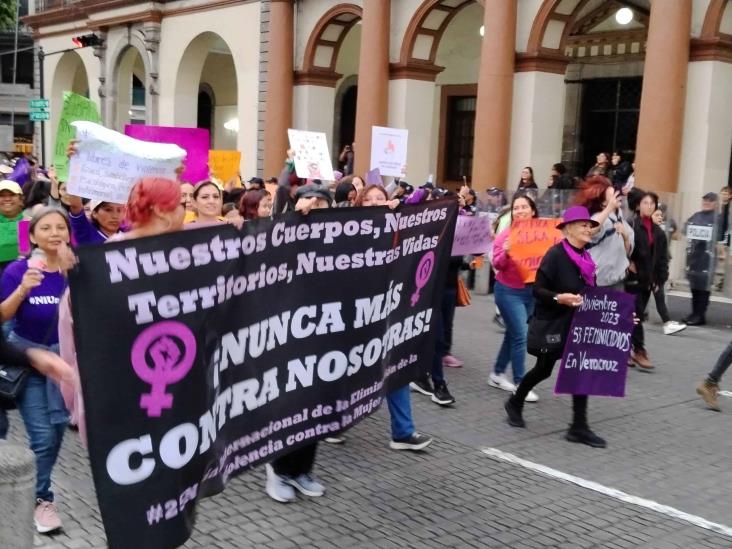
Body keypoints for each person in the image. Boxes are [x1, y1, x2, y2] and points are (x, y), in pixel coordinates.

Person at [505, 205, 608, 448]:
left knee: (580, 370)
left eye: (590, 225)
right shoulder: (555, 255)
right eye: (583, 224)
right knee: (544, 370)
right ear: (569, 229)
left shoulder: (586, 257)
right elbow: (538, 291)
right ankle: (515, 402)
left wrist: (622, 317)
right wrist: (559, 298)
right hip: (555, 321)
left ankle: (579, 427)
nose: (588, 228)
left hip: (579, 323)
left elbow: (591, 293)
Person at [1, 207, 77, 533]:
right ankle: (41, 499)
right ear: (32, 236)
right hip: (28, 358)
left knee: (59, 429)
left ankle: (35, 491)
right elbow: (3, 317)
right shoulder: (18, 271)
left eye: (60, 227)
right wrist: (22, 290)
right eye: (45, 228)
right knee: (43, 436)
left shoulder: (77, 269)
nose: (54, 233)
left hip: (65, 361)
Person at [265, 184, 329, 504]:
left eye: (323, 203)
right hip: (288, 335)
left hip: (325, 334)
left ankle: (302, 469)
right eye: (311, 201)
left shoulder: (342, 237)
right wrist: (292, 217)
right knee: (289, 404)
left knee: (315, 407)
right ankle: (278, 469)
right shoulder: (287, 231)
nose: (316, 206)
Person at [488, 194, 540, 402]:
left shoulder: (542, 234)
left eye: (524, 207)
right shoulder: (505, 236)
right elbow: (497, 264)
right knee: (521, 335)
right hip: (508, 291)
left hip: (531, 292)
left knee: (513, 334)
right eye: (516, 208)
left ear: (533, 211)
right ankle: (521, 384)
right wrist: (507, 252)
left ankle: (497, 373)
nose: (519, 211)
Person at [626, 192, 668, 370]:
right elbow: (620, 247)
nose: (649, 206)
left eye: (652, 203)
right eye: (645, 202)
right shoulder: (632, 225)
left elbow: (662, 259)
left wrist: (660, 279)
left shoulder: (658, 232)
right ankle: (640, 350)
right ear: (638, 205)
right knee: (636, 314)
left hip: (648, 280)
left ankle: (625, 348)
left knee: (635, 315)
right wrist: (627, 262)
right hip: (631, 278)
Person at [574, 177, 631, 291]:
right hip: (600, 281)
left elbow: (626, 251)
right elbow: (591, 230)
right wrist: (609, 208)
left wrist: (626, 237)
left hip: (618, 279)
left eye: (616, 192)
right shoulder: (600, 217)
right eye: (612, 195)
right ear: (603, 202)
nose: (617, 196)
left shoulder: (619, 217)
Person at [683, 193, 718, 326]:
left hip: (707, 258)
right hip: (694, 257)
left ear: (715, 203)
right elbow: (686, 228)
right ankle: (694, 313)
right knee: (694, 287)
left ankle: (700, 315)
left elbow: (719, 234)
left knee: (703, 288)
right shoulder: (696, 215)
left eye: (710, 200)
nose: (707, 202)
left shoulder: (717, 217)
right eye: (705, 200)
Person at [651, 207, 687, 335]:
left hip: (654, 274)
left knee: (659, 297)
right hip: (648, 274)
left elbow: (661, 257)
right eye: (657, 215)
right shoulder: (649, 233)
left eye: (661, 215)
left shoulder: (659, 233)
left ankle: (667, 322)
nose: (660, 217)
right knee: (639, 300)